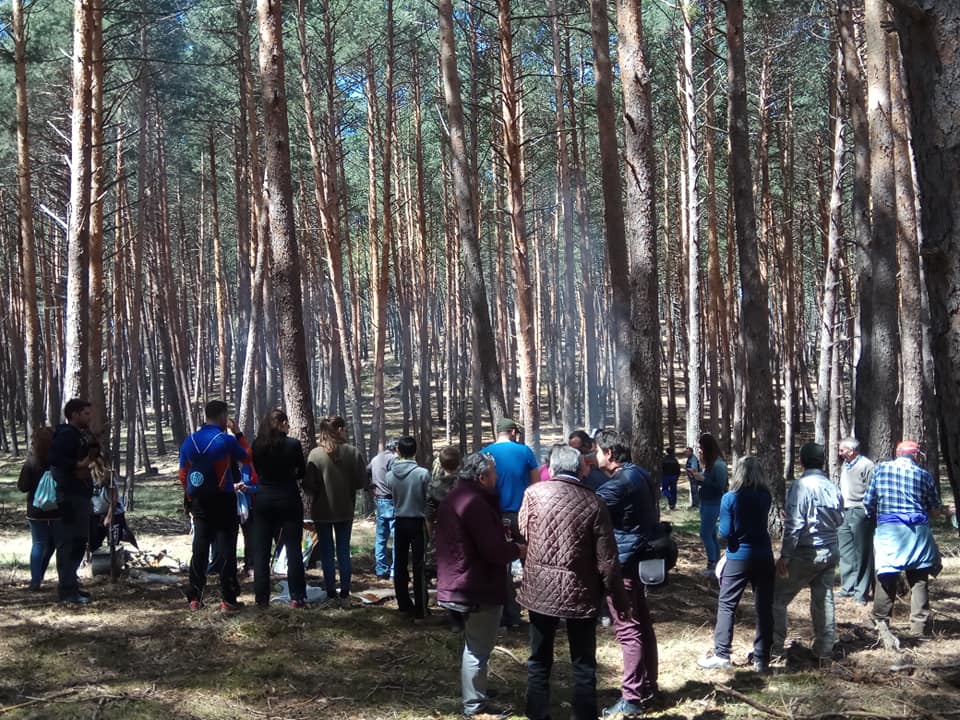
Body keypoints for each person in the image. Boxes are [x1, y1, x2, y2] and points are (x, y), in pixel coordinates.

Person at [519, 444, 629, 720]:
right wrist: (617, 596)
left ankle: (537, 714)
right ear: (581, 470)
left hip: (540, 590)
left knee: (538, 660)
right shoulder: (594, 502)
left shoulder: (533, 495)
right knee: (583, 663)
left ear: (552, 469)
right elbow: (607, 558)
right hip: (580, 591)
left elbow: (523, 530)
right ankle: (583, 716)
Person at [436, 452, 524, 719]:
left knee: (474, 647)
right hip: (475, 586)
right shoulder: (474, 503)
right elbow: (493, 550)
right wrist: (518, 550)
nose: (498, 478)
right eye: (494, 473)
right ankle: (475, 708)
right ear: (482, 477)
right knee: (477, 650)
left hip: (461, 582)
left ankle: (476, 694)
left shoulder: (458, 496)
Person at [594, 430, 660, 717]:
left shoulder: (619, 483)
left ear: (609, 454)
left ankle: (631, 698)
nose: (594, 456)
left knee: (627, 626)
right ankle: (648, 685)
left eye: (597, 451)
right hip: (636, 556)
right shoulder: (639, 474)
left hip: (623, 561)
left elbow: (589, 509)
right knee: (641, 623)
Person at [697, 456, 775, 672]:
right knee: (764, 607)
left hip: (738, 557)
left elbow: (723, 532)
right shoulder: (765, 496)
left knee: (727, 605)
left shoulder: (730, 498)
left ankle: (722, 654)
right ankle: (762, 658)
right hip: (764, 556)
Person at [179, 400, 256, 611]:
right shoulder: (225, 440)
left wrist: (190, 494)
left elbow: (182, 473)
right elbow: (247, 456)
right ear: (223, 416)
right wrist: (238, 433)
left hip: (199, 501)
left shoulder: (189, 440)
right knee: (226, 549)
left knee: (200, 547)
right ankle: (228, 599)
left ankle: (195, 597)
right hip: (223, 499)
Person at [864, 441, 942, 645]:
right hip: (917, 532)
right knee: (919, 578)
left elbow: (869, 502)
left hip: (889, 531)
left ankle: (880, 621)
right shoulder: (923, 475)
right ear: (915, 456)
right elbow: (934, 509)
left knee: (886, 574)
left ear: (897, 453)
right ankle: (920, 627)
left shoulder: (881, 470)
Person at [772, 442, 844, 660]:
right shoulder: (832, 486)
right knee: (824, 599)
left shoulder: (801, 486)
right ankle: (824, 650)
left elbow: (795, 523)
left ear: (801, 461)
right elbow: (840, 518)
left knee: (776, 598)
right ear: (822, 461)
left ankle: (773, 648)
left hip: (807, 551)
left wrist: (785, 556)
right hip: (830, 550)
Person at [481, 417, 539, 629]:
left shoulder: (485, 454)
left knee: (500, 567)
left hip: (495, 516)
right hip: (523, 515)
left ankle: (508, 616)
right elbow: (536, 484)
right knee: (531, 562)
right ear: (513, 432)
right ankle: (538, 613)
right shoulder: (525, 452)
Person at [303, 415, 366, 609]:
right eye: (344, 428)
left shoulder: (315, 454)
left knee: (327, 552)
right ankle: (345, 591)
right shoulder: (353, 453)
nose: (345, 431)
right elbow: (361, 482)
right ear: (338, 429)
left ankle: (331, 591)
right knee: (343, 550)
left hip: (322, 511)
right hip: (345, 509)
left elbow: (308, 485)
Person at [250, 408, 307, 609]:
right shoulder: (293, 444)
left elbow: (257, 469)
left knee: (262, 551)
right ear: (282, 424)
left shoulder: (257, 444)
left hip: (264, 498)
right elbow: (301, 471)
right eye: (286, 423)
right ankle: (297, 596)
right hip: (288, 497)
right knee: (293, 549)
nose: (288, 426)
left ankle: (261, 598)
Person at [50, 399, 97, 604]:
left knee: (79, 541)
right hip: (70, 496)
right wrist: (78, 465)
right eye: (86, 414)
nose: (89, 417)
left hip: (80, 494)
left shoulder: (78, 435)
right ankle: (67, 589)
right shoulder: (66, 435)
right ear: (75, 414)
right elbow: (57, 460)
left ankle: (72, 583)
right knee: (69, 543)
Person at [385, 436, 432, 620]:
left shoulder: (390, 475)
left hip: (400, 521)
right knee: (419, 565)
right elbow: (428, 498)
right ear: (415, 451)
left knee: (400, 564)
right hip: (418, 522)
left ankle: (403, 604)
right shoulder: (422, 474)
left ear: (398, 450)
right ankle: (421, 608)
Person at [17, 426, 59, 592]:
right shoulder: (58, 460)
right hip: (57, 510)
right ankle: (67, 579)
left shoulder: (31, 462)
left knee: (38, 544)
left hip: (36, 511)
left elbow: (23, 486)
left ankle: (35, 582)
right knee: (58, 544)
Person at [836, 437, 875, 605]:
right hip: (844, 511)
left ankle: (861, 593)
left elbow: (872, 490)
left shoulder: (867, 465)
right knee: (846, 552)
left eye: (842, 450)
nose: (840, 453)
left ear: (851, 451)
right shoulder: (846, 465)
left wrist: (866, 510)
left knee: (863, 553)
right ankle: (848, 588)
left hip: (860, 511)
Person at [688, 433, 728, 576]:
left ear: (708, 448)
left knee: (704, 534)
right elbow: (707, 482)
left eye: (701, 447)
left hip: (714, 503)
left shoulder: (719, 465)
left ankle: (712, 564)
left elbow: (720, 486)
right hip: (705, 502)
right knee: (710, 534)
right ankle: (716, 562)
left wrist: (703, 479)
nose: (699, 450)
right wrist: (696, 477)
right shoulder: (711, 464)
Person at [426, 445, 461, 581]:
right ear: (459, 463)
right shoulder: (466, 484)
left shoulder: (434, 486)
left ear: (440, 464)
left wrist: (431, 537)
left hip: (441, 533)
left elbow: (429, 516)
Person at [367, 439, 398, 579]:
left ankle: (380, 570)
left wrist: (370, 487)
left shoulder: (375, 459)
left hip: (379, 500)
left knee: (381, 537)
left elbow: (366, 473)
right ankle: (394, 571)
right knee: (396, 537)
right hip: (392, 500)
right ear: (396, 447)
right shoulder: (394, 459)